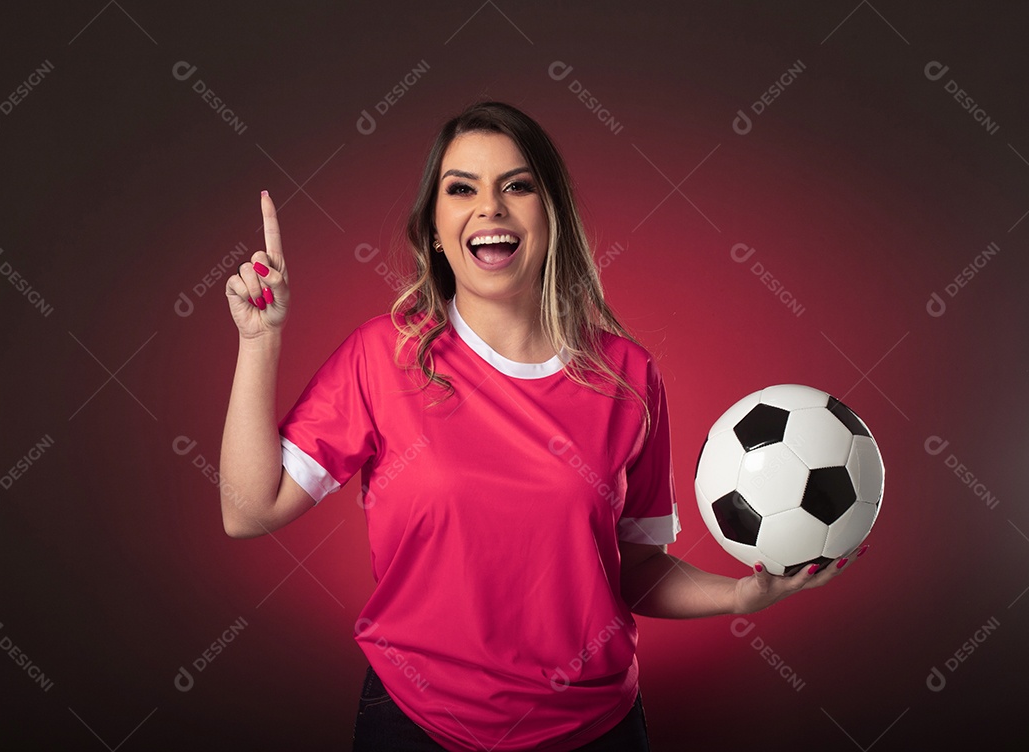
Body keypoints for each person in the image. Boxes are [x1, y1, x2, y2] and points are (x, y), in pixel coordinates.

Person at [219, 101, 866, 752]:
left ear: (551, 217)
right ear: (436, 230)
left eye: (517, 186)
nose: (490, 207)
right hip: (415, 726)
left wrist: (739, 597)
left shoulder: (628, 376)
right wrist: (258, 339)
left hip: (595, 732)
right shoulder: (382, 356)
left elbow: (634, 569)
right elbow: (249, 509)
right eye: (462, 188)